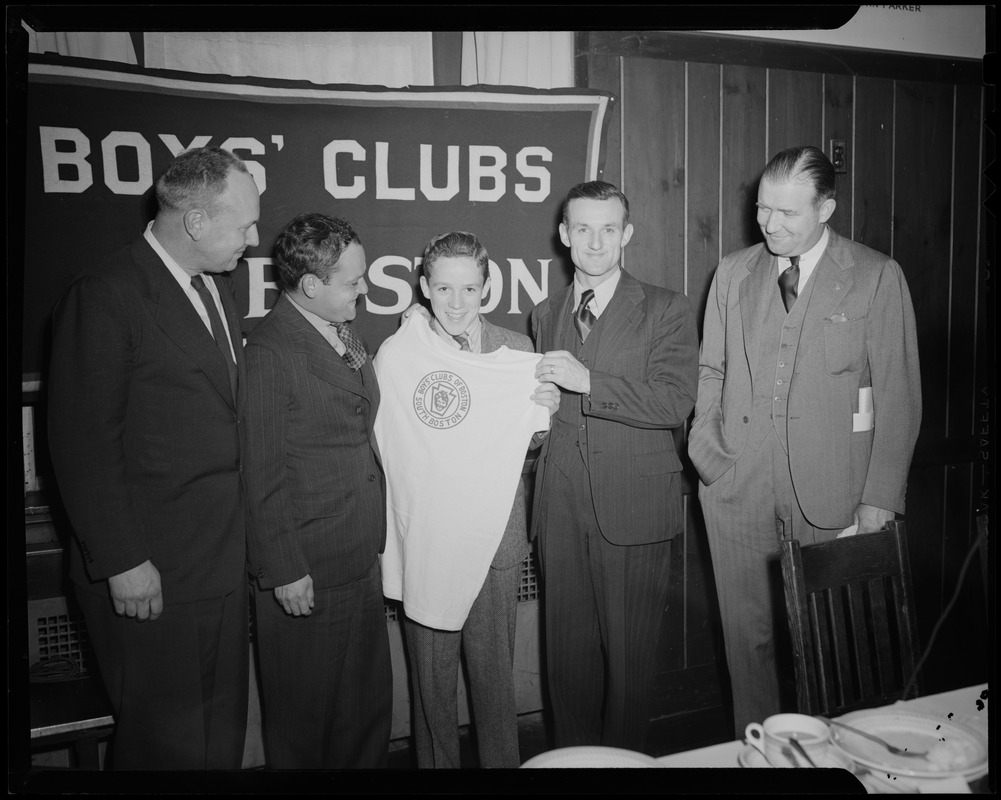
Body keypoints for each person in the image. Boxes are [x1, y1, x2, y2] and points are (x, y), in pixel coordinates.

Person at [688, 145, 922, 735]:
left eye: (787, 214)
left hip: (835, 498)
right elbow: (709, 373)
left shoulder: (875, 275)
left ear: (827, 209)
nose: (769, 224)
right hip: (737, 493)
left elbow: (900, 397)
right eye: (763, 209)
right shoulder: (733, 274)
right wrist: (709, 460)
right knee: (750, 655)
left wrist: (878, 501)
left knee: (837, 655)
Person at [46, 146, 258, 769]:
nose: (254, 238)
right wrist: (122, 560)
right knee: (163, 750)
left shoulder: (217, 287)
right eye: (243, 224)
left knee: (218, 738)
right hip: (152, 573)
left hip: (217, 561)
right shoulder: (108, 293)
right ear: (195, 222)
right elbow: (81, 442)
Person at [375, 231, 559, 768]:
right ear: (425, 288)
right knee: (431, 686)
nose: (457, 304)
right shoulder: (400, 355)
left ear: (488, 287)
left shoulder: (517, 350)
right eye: (445, 289)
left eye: (470, 289)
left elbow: (525, 441)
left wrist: (541, 421)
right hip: (428, 542)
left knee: (495, 682)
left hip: (495, 543)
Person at [531, 181, 699, 752]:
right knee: (566, 663)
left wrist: (588, 382)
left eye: (608, 229)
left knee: (628, 668)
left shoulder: (666, 308)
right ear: (564, 235)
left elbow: (675, 403)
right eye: (583, 228)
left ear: (626, 235)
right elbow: (547, 414)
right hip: (559, 508)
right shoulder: (545, 313)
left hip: (633, 508)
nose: (595, 241)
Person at [242, 212, 392, 769]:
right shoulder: (271, 352)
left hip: (355, 554)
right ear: (310, 286)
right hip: (305, 569)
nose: (364, 288)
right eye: (353, 281)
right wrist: (282, 568)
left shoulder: (342, 333)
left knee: (364, 716)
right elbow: (258, 473)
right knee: (305, 732)